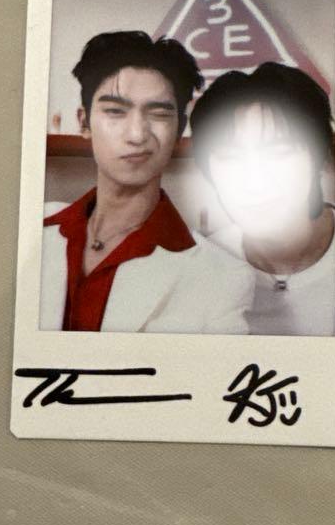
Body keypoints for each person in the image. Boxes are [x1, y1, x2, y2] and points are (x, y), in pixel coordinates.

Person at [39, 30, 254, 334]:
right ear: (84, 122)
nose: (137, 134)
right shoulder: (31, 227)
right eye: (116, 111)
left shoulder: (221, 277)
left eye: (158, 114)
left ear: (179, 130)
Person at [189, 62, 335, 336]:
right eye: (230, 156)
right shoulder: (200, 269)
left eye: (278, 152)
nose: (254, 180)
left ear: (319, 156)